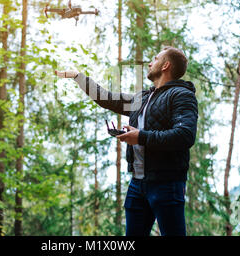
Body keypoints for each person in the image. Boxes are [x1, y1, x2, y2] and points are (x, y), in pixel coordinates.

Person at [55, 46, 198, 236]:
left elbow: (184, 135)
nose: (149, 63)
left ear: (166, 65)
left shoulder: (181, 95)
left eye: (155, 59)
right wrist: (77, 77)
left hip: (167, 183)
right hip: (137, 184)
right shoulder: (143, 98)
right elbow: (107, 99)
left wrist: (140, 136)